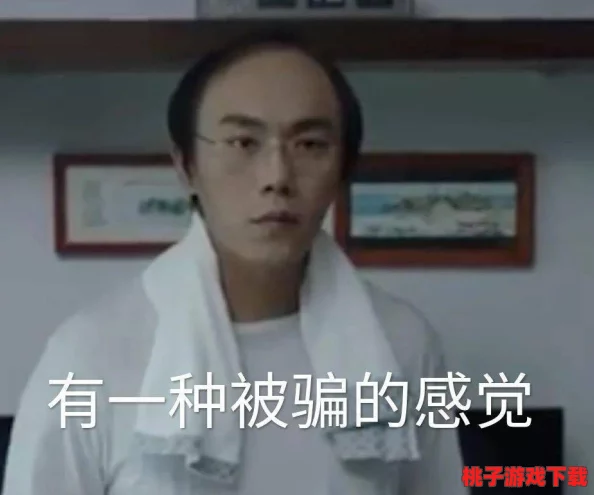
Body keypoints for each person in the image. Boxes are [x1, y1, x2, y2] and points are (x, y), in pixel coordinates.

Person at [2, 30, 467, 495]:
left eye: (310, 145)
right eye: (243, 142)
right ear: (187, 167)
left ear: (343, 171)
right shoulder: (89, 356)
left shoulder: (402, 345)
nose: (277, 177)